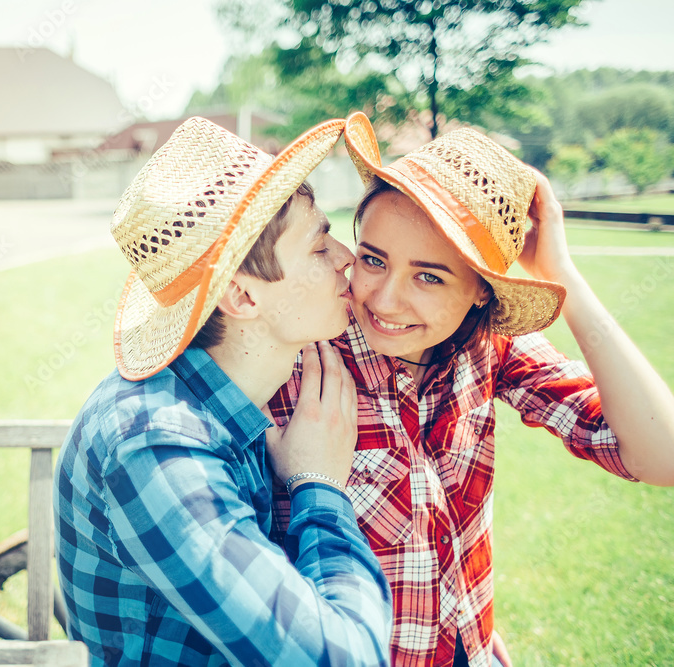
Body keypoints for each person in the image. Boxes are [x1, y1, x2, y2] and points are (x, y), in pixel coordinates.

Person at [267, 111, 674, 667]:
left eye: (429, 276)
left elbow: (663, 456)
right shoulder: (301, 363)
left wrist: (564, 280)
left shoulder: (490, 349)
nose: (384, 301)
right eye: (373, 259)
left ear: (483, 291)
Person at [53, 116, 393, 666]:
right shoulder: (153, 443)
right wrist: (320, 484)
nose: (346, 259)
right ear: (242, 295)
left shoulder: (228, 398)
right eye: (317, 246)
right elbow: (344, 659)